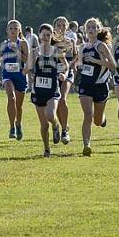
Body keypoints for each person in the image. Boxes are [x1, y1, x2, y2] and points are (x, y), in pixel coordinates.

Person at [76, 18, 117, 156]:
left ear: (98, 30)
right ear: (85, 30)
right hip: (86, 85)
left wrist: (97, 61)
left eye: (94, 27)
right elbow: (79, 64)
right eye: (89, 27)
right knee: (87, 115)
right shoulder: (82, 47)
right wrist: (79, 66)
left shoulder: (101, 46)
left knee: (97, 121)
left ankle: (102, 119)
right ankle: (86, 145)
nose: (91, 29)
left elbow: (113, 65)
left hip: (100, 86)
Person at [26, 23, 67, 157]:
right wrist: (33, 59)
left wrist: (63, 74)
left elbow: (65, 66)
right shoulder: (35, 51)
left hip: (52, 89)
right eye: (43, 34)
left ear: (51, 36)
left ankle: (56, 126)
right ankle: (47, 149)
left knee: (50, 115)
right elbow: (25, 69)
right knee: (43, 125)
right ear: (39, 36)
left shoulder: (56, 51)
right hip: (38, 90)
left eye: (48, 35)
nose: (45, 37)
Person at [0, 19, 29, 141]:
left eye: (15, 28)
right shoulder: (3, 44)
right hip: (7, 74)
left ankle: (18, 124)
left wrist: (17, 51)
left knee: (18, 106)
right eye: (11, 28)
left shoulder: (23, 43)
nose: (13, 30)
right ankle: (12, 127)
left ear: (19, 30)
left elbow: (27, 60)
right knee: (11, 98)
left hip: (20, 76)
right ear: (7, 31)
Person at [52, 16, 77, 144]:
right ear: (54, 27)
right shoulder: (51, 41)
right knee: (55, 104)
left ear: (67, 27)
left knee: (62, 99)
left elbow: (75, 57)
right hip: (53, 74)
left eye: (63, 25)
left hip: (67, 73)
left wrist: (68, 70)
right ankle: (59, 125)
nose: (61, 27)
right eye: (58, 25)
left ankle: (64, 131)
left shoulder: (70, 41)